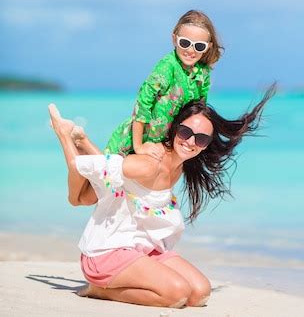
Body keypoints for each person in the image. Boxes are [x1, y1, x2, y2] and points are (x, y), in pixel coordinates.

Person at [48, 84, 276, 308]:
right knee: (176, 294)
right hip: (107, 252)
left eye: (201, 139)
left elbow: (112, 180)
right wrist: (64, 135)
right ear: (175, 128)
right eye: (186, 132)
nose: (190, 142)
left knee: (199, 293)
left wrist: (86, 142)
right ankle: (99, 290)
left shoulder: (180, 166)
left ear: (207, 145)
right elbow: (81, 166)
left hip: (143, 249)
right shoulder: (150, 163)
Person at [74, 10, 223, 160]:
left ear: (208, 47)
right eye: (185, 43)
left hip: (163, 144)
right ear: (174, 39)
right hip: (137, 139)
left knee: (114, 181)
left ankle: (81, 144)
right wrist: (139, 146)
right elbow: (143, 104)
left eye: (199, 46)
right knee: (105, 178)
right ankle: (80, 142)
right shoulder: (167, 67)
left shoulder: (203, 74)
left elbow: (199, 112)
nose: (190, 50)